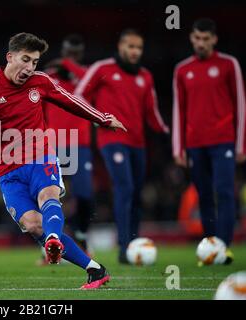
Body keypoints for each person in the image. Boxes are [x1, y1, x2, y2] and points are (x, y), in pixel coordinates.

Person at [0, 32, 126, 289]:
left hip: (41, 156)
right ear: (10, 57)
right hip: (7, 170)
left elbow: (72, 101)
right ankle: (95, 270)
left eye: (35, 62)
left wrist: (103, 118)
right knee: (32, 224)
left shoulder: (41, 82)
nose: (29, 68)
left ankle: (52, 240)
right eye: (25, 60)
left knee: (48, 196)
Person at [75, 29, 169, 264]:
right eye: (130, 46)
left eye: (138, 47)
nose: (134, 51)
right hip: (111, 139)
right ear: (120, 46)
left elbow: (151, 112)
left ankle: (132, 243)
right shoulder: (102, 69)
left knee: (136, 193)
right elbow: (78, 95)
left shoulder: (145, 76)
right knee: (125, 187)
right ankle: (124, 246)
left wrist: (167, 133)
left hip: (138, 142)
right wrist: (100, 118)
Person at [172, 18, 246, 263]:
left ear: (214, 39)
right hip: (195, 144)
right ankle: (210, 247)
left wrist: (241, 144)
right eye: (197, 38)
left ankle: (223, 247)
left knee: (224, 192)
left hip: (223, 141)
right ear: (192, 39)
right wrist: (178, 146)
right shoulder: (182, 69)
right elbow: (178, 110)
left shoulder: (228, 65)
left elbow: (241, 105)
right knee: (203, 194)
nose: (201, 43)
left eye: (206, 39)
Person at [43, 34, 93, 253]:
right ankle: (47, 244)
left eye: (75, 54)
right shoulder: (49, 76)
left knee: (84, 194)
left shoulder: (87, 76)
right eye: (67, 53)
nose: (71, 57)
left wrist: (68, 65)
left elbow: (91, 81)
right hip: (52, 144)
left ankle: (81, 235)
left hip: (80, 144)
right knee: (48, 193)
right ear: (62, 51)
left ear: (81, 55)